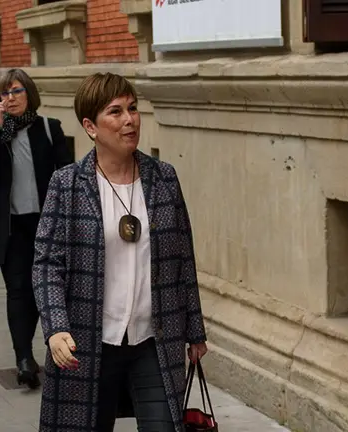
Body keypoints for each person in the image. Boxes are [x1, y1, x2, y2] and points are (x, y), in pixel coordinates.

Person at [32, 72, 208, 432]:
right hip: (87, 340)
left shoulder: (164, 178)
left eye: (133, 108)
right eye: (115, 112)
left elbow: (182, 257)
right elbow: (47, 264)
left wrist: (195, 329)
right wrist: (55, 328)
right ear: (90, 126)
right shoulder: (66, 184)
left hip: (153, 339)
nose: (129, 120)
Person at [0, 68, 73, 389]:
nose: (10, 98)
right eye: (4, 93)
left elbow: (69, 177)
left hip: (48, 225)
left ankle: (52, 346)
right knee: (18, 291)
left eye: (16, 91)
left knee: (45, 290)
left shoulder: (49, 128)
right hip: (12, 228)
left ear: (29, 93)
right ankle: (24, 358)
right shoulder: (0, 134)